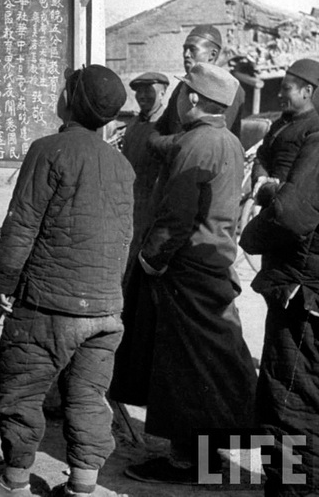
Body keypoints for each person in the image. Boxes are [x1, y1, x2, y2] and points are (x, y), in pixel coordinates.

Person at [0, 65, 135, 497]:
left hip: (48, 308)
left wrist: (1, 283)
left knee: (21, 393)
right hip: (105, 312)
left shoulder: (48, 150)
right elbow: (123, 235)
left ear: (71, 102)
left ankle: (13, 482)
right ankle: (83, 487)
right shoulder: (121, 165)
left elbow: (21, 227)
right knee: (89, 399)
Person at [110, 62, 257, 485]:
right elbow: (169, 146)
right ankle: (210, 461)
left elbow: (176, 216)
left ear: (192, 98)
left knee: (185, 369)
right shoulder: (225, 140)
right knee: (213, 364)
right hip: (212, 264)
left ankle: (186, 464)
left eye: (179, 93)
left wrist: (150, 260)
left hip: (187, 269)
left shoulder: (198, 145)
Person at [240, 130, 319, 497]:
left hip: (305, 299)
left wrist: (251, 235)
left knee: (291, 407)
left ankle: (293, 491)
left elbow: (290, 214)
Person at [148, 24, 245, 160]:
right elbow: (159, 129)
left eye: (192, 49)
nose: (186, 55)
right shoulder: (183, 85)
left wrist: (163, 142)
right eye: (185, 49)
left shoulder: (229, 89)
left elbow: (207, 142)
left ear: (212, 55)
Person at [250, 58, 319, 208]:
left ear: (307, 91)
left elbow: (302, 184)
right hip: (270, 207)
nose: (279, 94)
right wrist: (261, 178)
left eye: (286, 89)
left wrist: (269, 188)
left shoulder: (315, 129)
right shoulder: (279, 125)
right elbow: (262, 157)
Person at [120, 71, 168, 284]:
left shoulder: (167, 126)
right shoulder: (133, 125)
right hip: (131, 201)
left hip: (154, 204)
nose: (142, 96)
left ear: (164, 92)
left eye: (149, 90)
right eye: (139, 91)